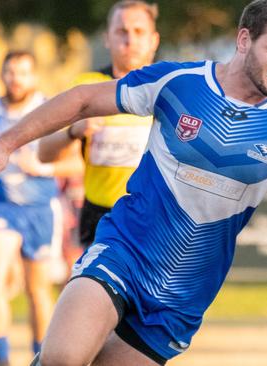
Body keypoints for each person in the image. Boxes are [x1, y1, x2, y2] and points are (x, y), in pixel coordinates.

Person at [0, 1, 267, 364]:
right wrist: (6, 142)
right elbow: (83, 99)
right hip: (125, 252)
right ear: (244, 40)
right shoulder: (179, 82)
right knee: (63, 358)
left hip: (182, 295)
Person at [38, 0, 160, 249]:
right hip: (99, 213)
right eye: (121, 31)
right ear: (107, 38)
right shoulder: (87, 87)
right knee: (91, 288)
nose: (130, 40)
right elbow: (44, 153)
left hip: (154, 215)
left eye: (139, 32)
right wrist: (73, 132)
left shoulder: (168, 88)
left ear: (154, 39)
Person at [0, 51, 82, 366]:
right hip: (0, 207)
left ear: (34, 76)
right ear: (2, 74)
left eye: (23, 72)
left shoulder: (50, 110)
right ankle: (1, 357)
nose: (16, 78)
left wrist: (42, 169)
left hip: (41, 211)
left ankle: (39, 356)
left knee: (36, 290)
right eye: (11, 72)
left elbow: (76, 162)